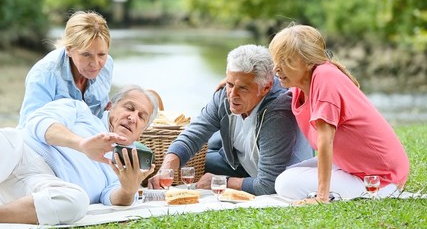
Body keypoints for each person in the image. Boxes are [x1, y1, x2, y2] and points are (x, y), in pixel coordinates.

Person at [269, 24, 410, 204]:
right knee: (286, 174)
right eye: (276, 60)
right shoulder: (300, 83)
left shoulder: (325, 78)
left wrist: (322, 197)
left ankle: (339, 193)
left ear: (309, 62)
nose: (276, 69)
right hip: (350, 164)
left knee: (284, 183)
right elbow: (267, 83)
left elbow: (325, 141)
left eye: (285, 61)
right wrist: (232, 81)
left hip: (380, 178)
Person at [148, 44, 313, 196]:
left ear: (266, 87)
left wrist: (221, 181)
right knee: (200, 153)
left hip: (276, 176)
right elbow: (193, 135)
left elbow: (268, 185)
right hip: (243, 163)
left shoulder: (278, 113)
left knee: (209, 159)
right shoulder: (224, 96)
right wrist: (166, 169)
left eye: (243, 88)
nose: (232, 95)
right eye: (230, 84)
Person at [0, 85, 158, 225]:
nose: (132, 118)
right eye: (129, 108)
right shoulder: (79, 110)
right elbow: (37, 121)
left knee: (76, 203)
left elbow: (113, 198)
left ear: (141, 133)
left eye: (141, 116)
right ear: (110, 107)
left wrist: (128, 190)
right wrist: (81, 144)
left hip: (45, 182)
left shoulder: (127, 165)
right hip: (21, 151)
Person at [17, 10, 113, 128]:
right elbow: (30, 126)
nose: (95, 64)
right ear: (69, 49)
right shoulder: (44, 73)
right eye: (86, 54)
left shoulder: (107, 64)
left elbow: (101, 114)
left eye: (101, 54)